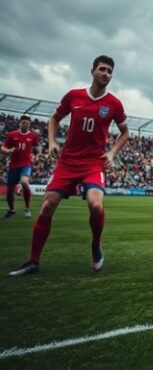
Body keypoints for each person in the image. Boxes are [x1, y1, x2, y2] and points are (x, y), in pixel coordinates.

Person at [9, 55, 129, 276]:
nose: (106, 74)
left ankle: (95, 246)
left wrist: (112, 152)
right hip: (68, 161)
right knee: (47, 207)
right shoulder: (74, 96)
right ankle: (33, 261)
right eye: (102, 69)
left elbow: (125, 132)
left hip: (93, 163)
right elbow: (54, 118)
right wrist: (53, 141)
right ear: (92, 71)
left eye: (110, 71)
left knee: (95, 205)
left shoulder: (114, 103)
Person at [1, 115, 39, 218]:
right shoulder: (12, 135)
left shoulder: (33, 136)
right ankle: (11, 209)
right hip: (13, 166)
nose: (25, 124)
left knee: (24, 182)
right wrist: (9, 151)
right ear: (20, 123)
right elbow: (3, 148)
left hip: (26, 165)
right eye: (23, 122)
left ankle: (27, 208)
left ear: (29, 124)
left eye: (27, 123)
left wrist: (35, 155)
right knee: (9, 192)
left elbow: (36, 148)